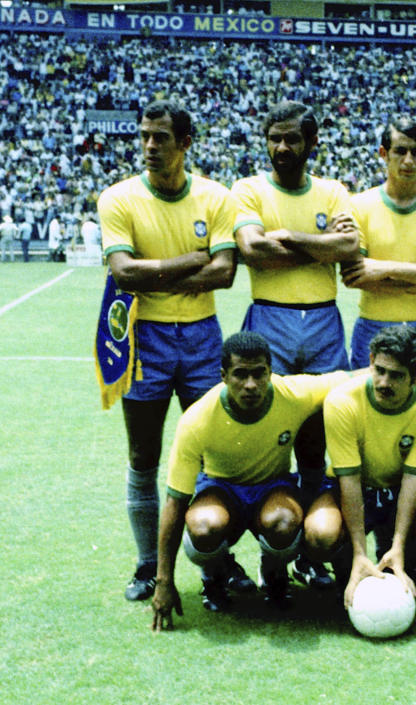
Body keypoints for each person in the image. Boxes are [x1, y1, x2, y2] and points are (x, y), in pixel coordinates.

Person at [98, 100, 240, 601]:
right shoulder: (118, 198)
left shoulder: (214, 197)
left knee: (212, 453)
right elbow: (123, 273)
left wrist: (154, 272)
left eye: (160, 137)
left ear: (185, 143)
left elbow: (224, 273)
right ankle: (146, 564)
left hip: (203, 336)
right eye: (144, 137)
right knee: (144, 456)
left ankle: (214, 564)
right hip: (145, 340)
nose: (150, 147)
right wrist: (188, 262)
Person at [232, 100, 360, 589]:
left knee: (316, 437)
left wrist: (285, 236)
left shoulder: (331, 190)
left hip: (324, 319)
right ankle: (273, 555)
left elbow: (350, 249)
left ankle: (310, 551)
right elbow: (252, 249)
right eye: (274, 138)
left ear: (311, 142)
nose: (281, 147)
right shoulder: (248, 189)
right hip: (270, 319)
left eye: (291, 139)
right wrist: (317, 242)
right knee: (268, 435)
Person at [150, 332, 350, 629]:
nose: (251, 385)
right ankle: (213, 576)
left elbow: (348, 377)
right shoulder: (197, 419)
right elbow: (174, 503)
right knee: (204, 527)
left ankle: (273, 573)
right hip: (220, 488)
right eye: (240, 375)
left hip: (273, 487)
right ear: (223, 376)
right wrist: (164, 581)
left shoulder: (292, 392)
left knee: (284, 522)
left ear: (271, 372)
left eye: (259, 374)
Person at [319, 325, 416, 610]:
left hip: (399, 487)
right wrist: (359, 551)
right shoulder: (341, 401)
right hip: (356, 487)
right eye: (379, 370)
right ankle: (350, 564)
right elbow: (349, 479)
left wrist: (398, 546)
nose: (384, 382)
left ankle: (398, 554)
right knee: (320, 534)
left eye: (396, 376)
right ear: (370, 361)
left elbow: (414, 477)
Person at [343, 116, 416, 387]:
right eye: (400, 151)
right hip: (375, 325)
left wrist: (384, 269)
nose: (409, 160)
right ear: (384, 153)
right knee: (373, 409)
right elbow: (356, 277)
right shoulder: (359, 206)